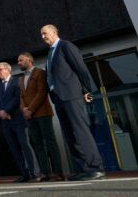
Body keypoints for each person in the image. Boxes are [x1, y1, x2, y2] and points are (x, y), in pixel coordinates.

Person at [40, 24, 105, 181]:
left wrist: (86, 90)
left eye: (45, 33)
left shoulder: (65, 46)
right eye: (41, 35)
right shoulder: (50, 53)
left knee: (81, 131)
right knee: (69, 135)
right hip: (59, 98)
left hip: (71, 95)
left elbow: (80, 68)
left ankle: (96, 168)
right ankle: (83, 168)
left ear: (55, 32)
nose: (43, 37)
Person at [18, 52, 65, 182]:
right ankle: (45, 173)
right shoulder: (21, 79)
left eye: (21, 60)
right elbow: (21, 96)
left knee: (50, 142)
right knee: (37, 144)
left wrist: (30, 109)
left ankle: (58, 173)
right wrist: (24, 109)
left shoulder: (40, 73)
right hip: (30, 117)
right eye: (18, 61)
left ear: (29, 60)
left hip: (43, 113)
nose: (19, 63)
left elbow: (42, 92)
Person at [0, 62, 36, 183]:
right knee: (14, 148)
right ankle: (24, 173)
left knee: (25, 145)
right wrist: (0, 112)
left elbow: (17, 97)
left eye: (0, 69)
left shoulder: (17, 81)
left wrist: (6, 110)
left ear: (8, 70)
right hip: (5, 123)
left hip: (18, 120)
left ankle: (33, 172)